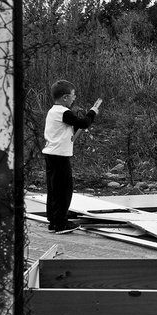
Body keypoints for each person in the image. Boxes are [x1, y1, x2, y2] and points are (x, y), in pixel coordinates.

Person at [42, 80, 100, 234]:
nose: (75, 98)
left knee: (54, 190)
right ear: (65, 97)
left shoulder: (52, 112)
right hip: (59, 156)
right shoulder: (63, 112)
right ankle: (61, 223)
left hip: (51, 155)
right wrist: (92, 112)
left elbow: (72, 127)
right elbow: (84, 123)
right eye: (73, 96)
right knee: (63, 191)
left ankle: (54, 221)